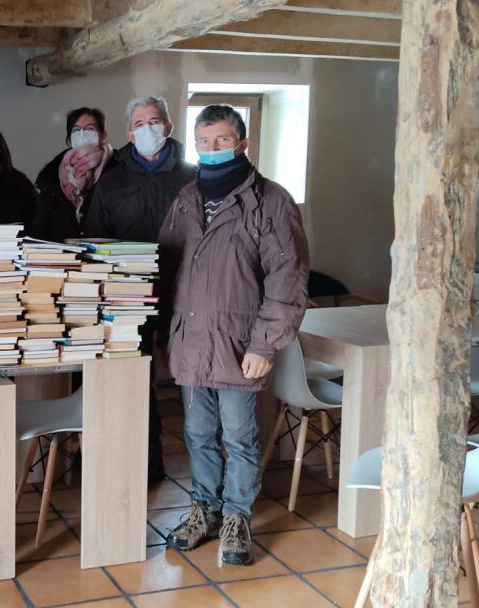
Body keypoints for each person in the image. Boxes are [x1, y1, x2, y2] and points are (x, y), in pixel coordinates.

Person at [158, 105, 309, 565]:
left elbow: (288, 277)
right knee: (198, 434)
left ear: (243, 144)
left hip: (239, 344)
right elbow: (166, 264)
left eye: (222, 140)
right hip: (190, 340)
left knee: (240, 437)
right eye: (204, 141)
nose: (212, 149)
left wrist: (265, 344)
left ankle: (237, 517)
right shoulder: (185, 198)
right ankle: (204, 508)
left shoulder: (271, 201)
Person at [84, 96, 197, 482]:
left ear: (167, 125)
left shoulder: (192, 177)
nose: (147, 128)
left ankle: (205, 473)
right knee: (136, 381)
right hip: (129, 296)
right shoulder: (112, 181)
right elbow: (95, 240)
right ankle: (146, 467)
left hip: (186, 292)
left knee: (195, 379)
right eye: (139, 123)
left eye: (155, 120)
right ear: (128, 133)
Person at [29, 107, 117, 242]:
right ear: (70, 139)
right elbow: (40, 230)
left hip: (106, 256)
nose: (82, 134)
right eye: (76, 130)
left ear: (103, 136)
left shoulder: (117, 170)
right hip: (62, 258)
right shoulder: (51, 175)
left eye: (89, 129)